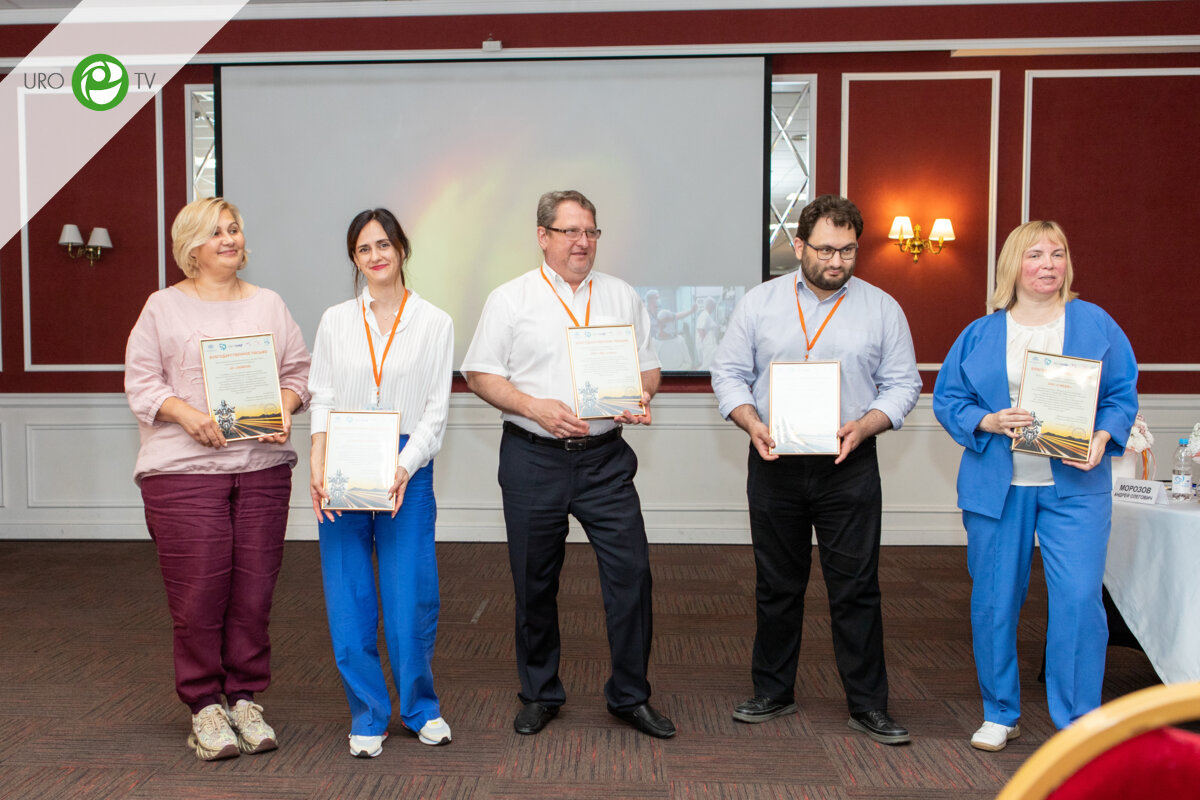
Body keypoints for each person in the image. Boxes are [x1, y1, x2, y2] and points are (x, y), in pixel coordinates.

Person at [462, 189, 674, 739]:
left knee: (632, 576)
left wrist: (642, 393)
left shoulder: (621, 295)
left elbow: (650, 368)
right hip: (533, 458)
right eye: (570, 231)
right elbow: (479, 374)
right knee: (534, 582)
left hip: (605, 460)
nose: (582, 242)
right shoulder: (510, 299)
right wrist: (532, 406)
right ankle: (539, 692)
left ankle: (630, 696)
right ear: (543, 236)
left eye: (590, 232)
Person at [711, 194, 920, 745]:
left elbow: (904, 384)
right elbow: (728, 373)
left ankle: (868, 705)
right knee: (777, 585)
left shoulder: (882, 308)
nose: (836, 261)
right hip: (774, 460)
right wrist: (751, 423)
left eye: (848, 250)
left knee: (856, 588)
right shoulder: (759, 303)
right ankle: (772, 691)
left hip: (848, 464)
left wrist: (867, 425)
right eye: (825, 249)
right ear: (799, 245)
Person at [932, 220, 1137, 749]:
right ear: (1013, 265)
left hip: (1075, 489)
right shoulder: (980, 333)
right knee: (995, 602)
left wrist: (1103, 436)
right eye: (1036, 255)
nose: (1048, 264)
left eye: (1058, 254)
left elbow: (1120, 395)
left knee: (1079, 601)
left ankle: (1080, 721)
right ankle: (1000, 712)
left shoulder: (1096, 323)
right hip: (998, 490)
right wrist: (987, 420)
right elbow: (949, 399)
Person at [124, 197, 310, 761]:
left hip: (261, 472)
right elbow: (141, 382)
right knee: (199, 595)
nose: (229, 239)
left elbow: (299, 374)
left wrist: (283, 408)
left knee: (254, 595)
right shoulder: (161, 307)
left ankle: (245, 699)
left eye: (234, 229)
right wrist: (188, 415)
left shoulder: (269, 304)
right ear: (190, 246)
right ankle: (205, 705)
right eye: (215, 232)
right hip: (183, 475)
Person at [307, 208, 454, 758]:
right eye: (364, 248)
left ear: (402, 248)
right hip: (343, 460)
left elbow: (436, 411)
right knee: (348, 595)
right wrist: (318, 458)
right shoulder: (335, 321)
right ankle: (367, 713)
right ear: (354, 258)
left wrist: (404, 465)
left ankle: (420, 708)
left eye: (384, 244)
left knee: (409, 593)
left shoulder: (435, 322)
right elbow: (322, 395)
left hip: (405, 463)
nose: (376, 255)